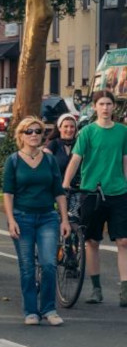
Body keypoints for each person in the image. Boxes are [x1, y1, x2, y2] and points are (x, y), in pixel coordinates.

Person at [62, 90, 127, 306]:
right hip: (91, 192)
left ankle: (125, 290)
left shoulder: (122, 132)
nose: (106, 108)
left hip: (118, 191)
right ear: (95, 107)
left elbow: (125, 161)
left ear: (113, 107)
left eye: (109, 104)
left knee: (123, 241)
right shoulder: (88, 132)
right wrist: (65, 184)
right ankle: (96, 288)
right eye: (102, 104)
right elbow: (76, 160)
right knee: (91, 241)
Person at [5, 116, 71, 325]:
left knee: (49, 264)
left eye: (38, 131)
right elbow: (8, 193)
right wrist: (10, 220)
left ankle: (49, 309)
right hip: (22, 217)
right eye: (29, 132)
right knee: (27, 267)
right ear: (21, 136)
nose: (34, 135)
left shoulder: (49, 160)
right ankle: (31, 311)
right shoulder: (13, 161)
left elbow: (59, 192)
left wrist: (64, 220)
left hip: (47, 218)